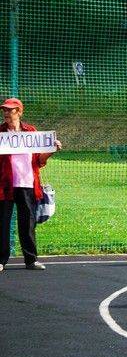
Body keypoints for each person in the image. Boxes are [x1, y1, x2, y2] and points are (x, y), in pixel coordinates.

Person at [0, 98, 62, 272]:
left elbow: (39, 161)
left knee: (27, 222)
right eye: (4, 110)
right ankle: (1, 260)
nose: (6, 113)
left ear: (19, 112)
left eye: (10, 110)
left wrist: (51, 150)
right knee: (2, 222)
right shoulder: (0, 133)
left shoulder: (31, 132)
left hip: (27, 183)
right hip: (4, 185)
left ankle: (31, 260)